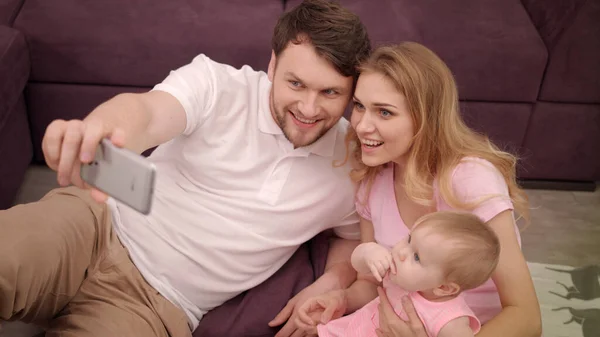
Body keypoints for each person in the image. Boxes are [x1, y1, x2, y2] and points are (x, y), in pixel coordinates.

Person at [0, 1, 371, 336]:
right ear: (272, 65)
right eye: (296, 83)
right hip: (96, 224)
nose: (308, 108)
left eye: (329, 93)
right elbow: (146, 113)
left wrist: (334, 280)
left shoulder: (353, 166)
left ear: (352, 92)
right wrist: (98, 132)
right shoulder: (216, 84)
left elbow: (351, 235)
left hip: (158, 307)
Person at [295, 42, 542, 337]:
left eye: (384, 113)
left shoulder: (470, 179)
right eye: (360, 106)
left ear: (425, 119)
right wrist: (341, 299)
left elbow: (527, 317)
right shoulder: (372, 180)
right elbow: (371, 283)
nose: (361, 126)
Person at [304, 211, 501, 337]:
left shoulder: (450, 321)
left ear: (444, 288)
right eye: (408, 239)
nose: (401, 251)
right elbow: (359, 265)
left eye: (416, 257)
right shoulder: (401, 273)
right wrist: (368, 252)